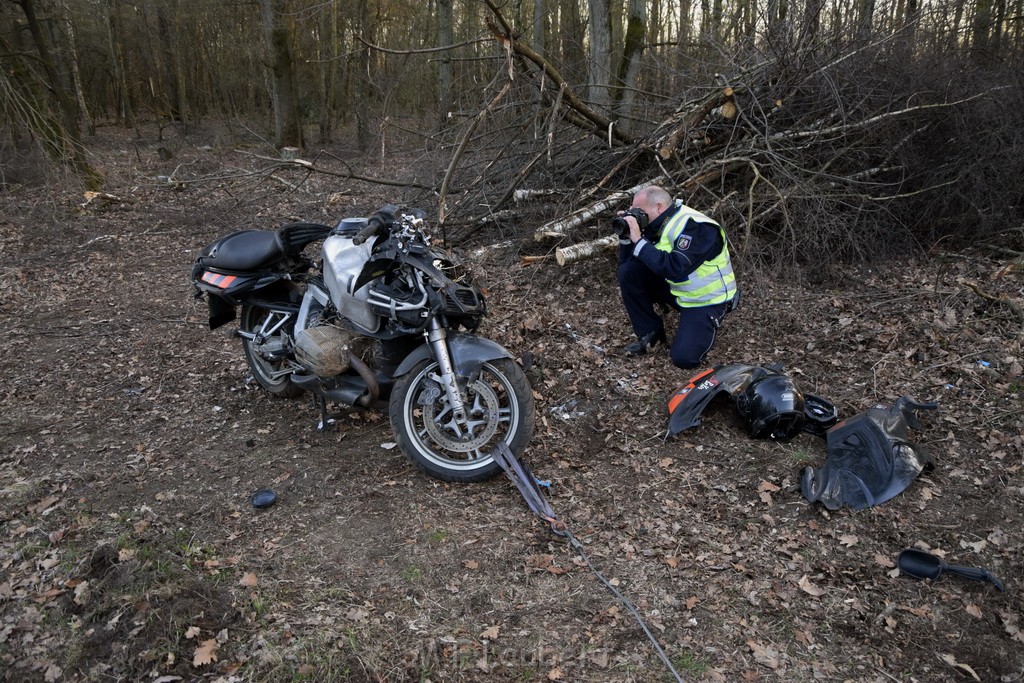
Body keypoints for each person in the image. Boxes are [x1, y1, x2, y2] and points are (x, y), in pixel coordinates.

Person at [616, 185, 738, 369]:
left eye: (639, 211)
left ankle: (707, 321)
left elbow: (675, 267)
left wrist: (639, 240)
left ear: (659, 207)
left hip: (706, 300)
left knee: (684, 358)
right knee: (629, 272)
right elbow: (626, 264)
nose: (636, 215)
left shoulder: (697, 227)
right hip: (679, 289)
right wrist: (626, 236)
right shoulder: (656, 222)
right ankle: (650, 332)